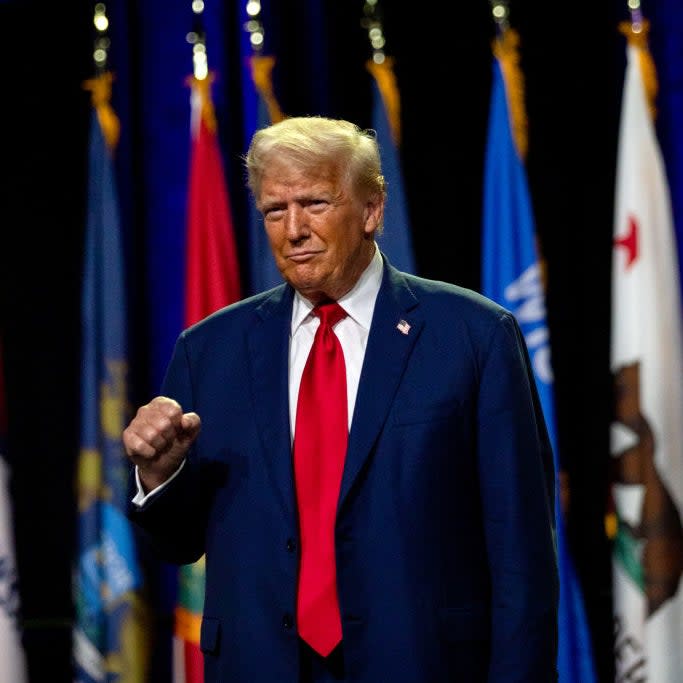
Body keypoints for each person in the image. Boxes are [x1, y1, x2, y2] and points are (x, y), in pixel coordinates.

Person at [123, 116, 559, 683]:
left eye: (315, 203)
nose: (293, 229)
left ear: (372, 210)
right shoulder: (210, 350)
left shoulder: (474, 338)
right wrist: (159, 476)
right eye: (275, 211)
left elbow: (520, 553)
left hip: (424, 664)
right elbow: (179, 544)